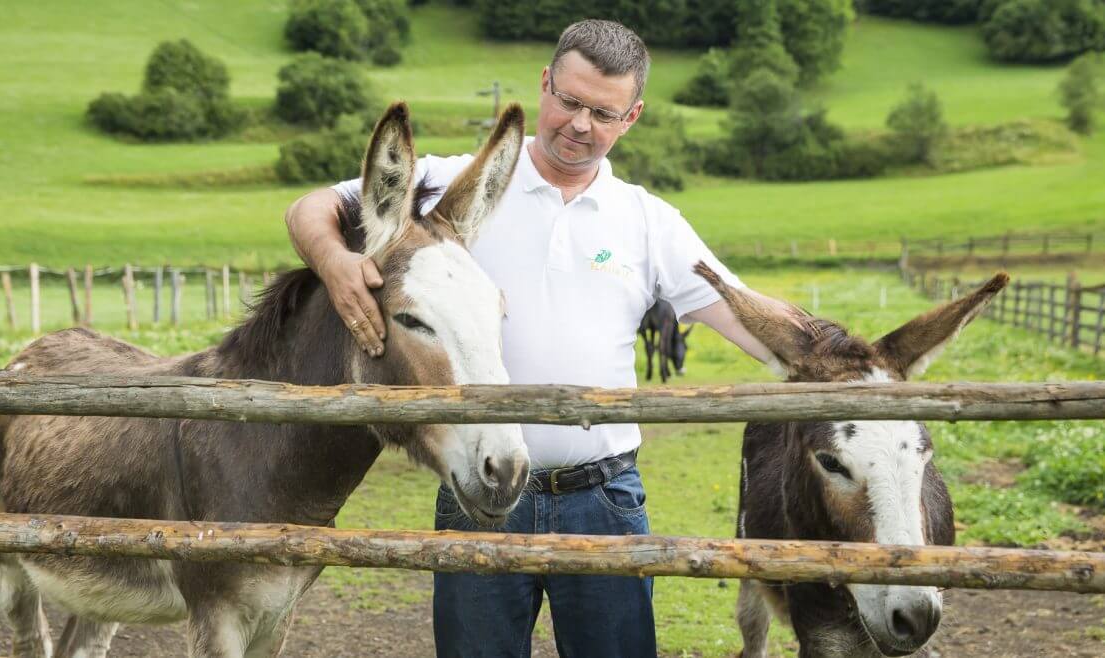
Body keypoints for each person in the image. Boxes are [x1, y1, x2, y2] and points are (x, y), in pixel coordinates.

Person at [285, 19, 786, 658]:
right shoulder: (455, 184)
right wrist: (333, 262)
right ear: (545, 84)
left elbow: (744, 311)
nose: (580, 124)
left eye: (602, 112)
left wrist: (844, 357)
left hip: (603, 496)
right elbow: (310, 208)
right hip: (477, 489)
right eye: (569, 101)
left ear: (631, 117)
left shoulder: (648, 221)